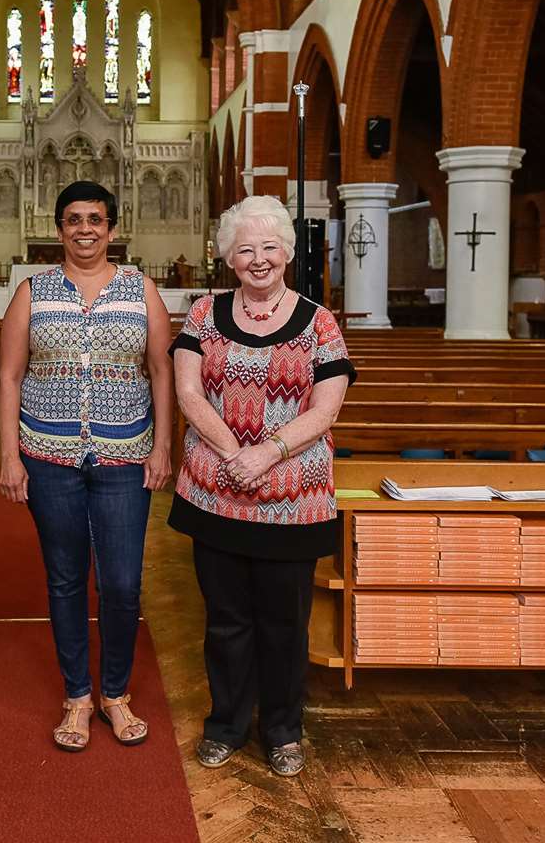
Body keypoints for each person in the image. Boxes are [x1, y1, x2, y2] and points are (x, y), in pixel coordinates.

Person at [169, 195, 355, 778]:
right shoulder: (203, 314)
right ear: (228, 256)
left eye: (269, 247)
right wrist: (234, 454)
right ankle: (226, 723)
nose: (258, 259)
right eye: (245, 248)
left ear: (287, 252)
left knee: (283, 621)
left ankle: (281, 730)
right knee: (225, 620)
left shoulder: (318, 321)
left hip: (293, 502)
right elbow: (188, 393)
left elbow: (327, 409)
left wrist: (268, 452)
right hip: (215, 493)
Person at [0, 180, 174, 752]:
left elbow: (163, 372)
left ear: (112, 229)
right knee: (67, 578)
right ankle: (77, 695)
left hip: (126, 453)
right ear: (59, 229)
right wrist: (8, 457)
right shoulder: (33, 292)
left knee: (122, 583)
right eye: (74, 219)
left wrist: (164, 446)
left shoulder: (140, 289)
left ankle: (115, 694)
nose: (85, 229)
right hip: (48, 455)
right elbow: (9, 375)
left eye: (95, 219)